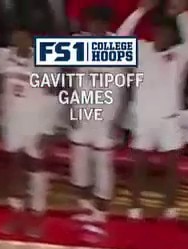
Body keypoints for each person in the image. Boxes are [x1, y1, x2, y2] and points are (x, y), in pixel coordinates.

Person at [120, 0, 188, 221]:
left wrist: (181, 14)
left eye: (168, 33)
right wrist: (141, 10)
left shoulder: (180, 55)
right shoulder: (140, 50)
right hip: (144, 119)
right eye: (159, 31)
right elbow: (120, 38)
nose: (163, 36)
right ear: (153, 32)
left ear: (173, 36)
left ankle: (170, 208)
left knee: (172, 167)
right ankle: (135, 206)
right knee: (139, 165)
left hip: (169, 120)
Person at [68, 6, 131, 235]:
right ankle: (86, 207)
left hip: (107, 114)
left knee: (103, 165)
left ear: (107, 26)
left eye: (100, 24)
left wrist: (120, 118)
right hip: (83, 111)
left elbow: (126, 87)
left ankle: (102, 211)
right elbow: (71, 75)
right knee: (80, 160)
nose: (95, 28)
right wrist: (71, 107)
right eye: (92, 23)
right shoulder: (78, 42)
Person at [0, 24, 55, 238]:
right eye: (15, 36)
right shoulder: (3, 56)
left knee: (37, 167)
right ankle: (16, 215)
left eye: (23, 37)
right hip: (12, 121)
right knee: (15, 167)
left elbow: (54, 96)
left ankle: (38, 216)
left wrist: (49, 129)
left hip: (36, 121)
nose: (19, 41)